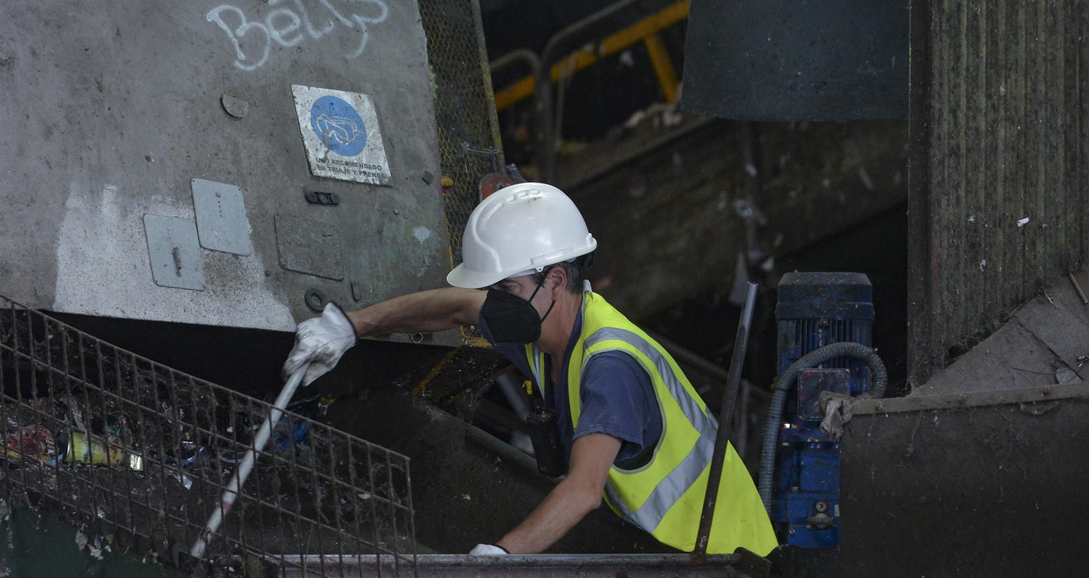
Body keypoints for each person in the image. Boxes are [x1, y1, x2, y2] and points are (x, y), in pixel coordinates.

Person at [283, 183, 777, 557]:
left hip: (726, 559)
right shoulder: (541, 326)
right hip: (667, 550)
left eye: (507, 291)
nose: (495, 306)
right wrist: (348, 326)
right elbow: (455, 307)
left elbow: (582, 491)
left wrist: (501, 555)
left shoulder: (609, 364)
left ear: (555, 279)